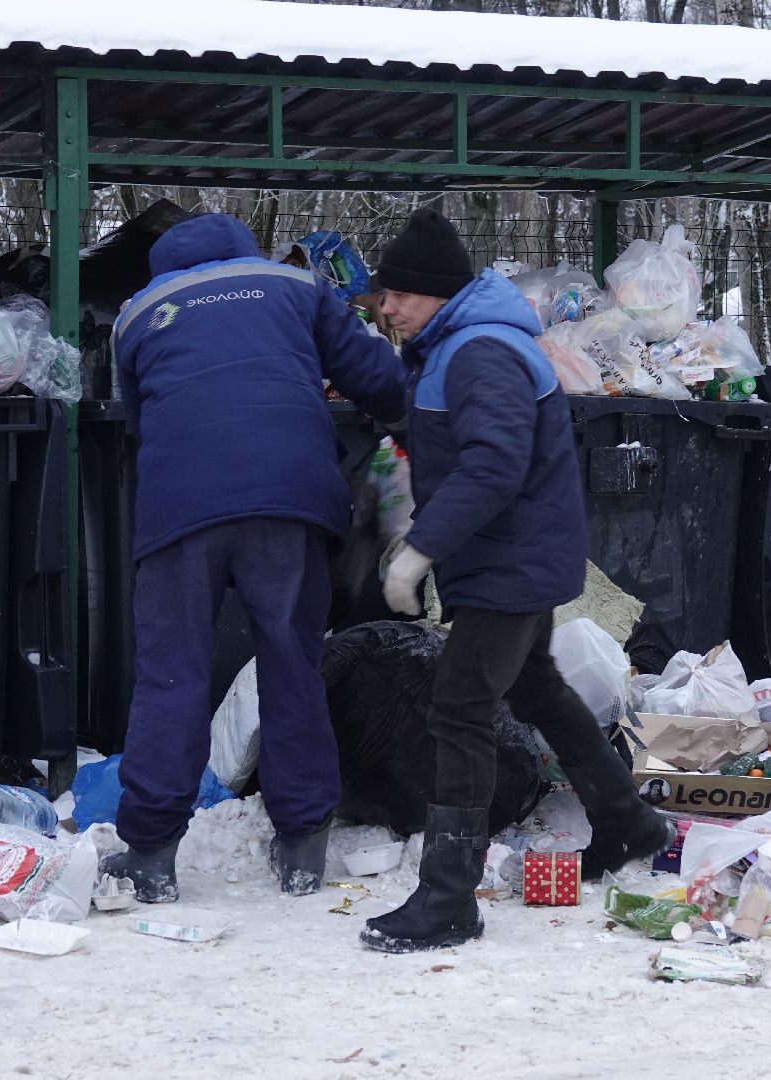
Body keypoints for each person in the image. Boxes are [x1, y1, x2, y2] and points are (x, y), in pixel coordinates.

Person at [360, 209, 675, 953]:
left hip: (508, 559)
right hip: (513, 554)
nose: (387, 307)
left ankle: (447, 899)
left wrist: (418, 551)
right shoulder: (457, 346)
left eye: (401, 294)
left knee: (458, 712)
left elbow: (494, 465)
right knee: (538, 691)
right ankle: (630, 822)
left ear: (437, 293)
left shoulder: (480, 352)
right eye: (384, 293)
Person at [104, 212, 407, 903]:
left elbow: (139, 421)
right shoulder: (297, 287)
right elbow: (378, 381)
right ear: (246, 251)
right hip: (290, 497)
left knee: (170, 676)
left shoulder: (138, 315)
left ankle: (150, 856)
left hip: (181, 509)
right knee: (291, 666)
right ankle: (302, 846)